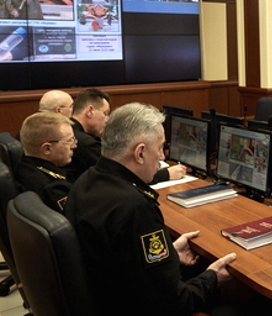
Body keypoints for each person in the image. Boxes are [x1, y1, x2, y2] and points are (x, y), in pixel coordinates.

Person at [64, 103, 239, 316]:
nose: (162, 157)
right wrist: (212, 277)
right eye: (160, 148)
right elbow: (173, 303)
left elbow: (122, 258)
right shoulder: (134, 207)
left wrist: (168, 254)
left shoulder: (85, 181)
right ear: (140, 153)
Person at [65, 88, 184, 184]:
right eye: (105, 113)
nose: (107, 120)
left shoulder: (70, 132)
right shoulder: (86, 144)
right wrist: (166, 174)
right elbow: (120, 176)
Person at [15, 112, 75, 213]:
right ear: (47, 149)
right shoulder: (53, 189)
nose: (74, 146)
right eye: (69, 141)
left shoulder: (23, 166)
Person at [64, 88, 111, 182]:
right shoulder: (88, 145)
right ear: (90, 111)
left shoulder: (63, 130)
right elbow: (111, 174)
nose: (107, 120)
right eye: (105, 113)